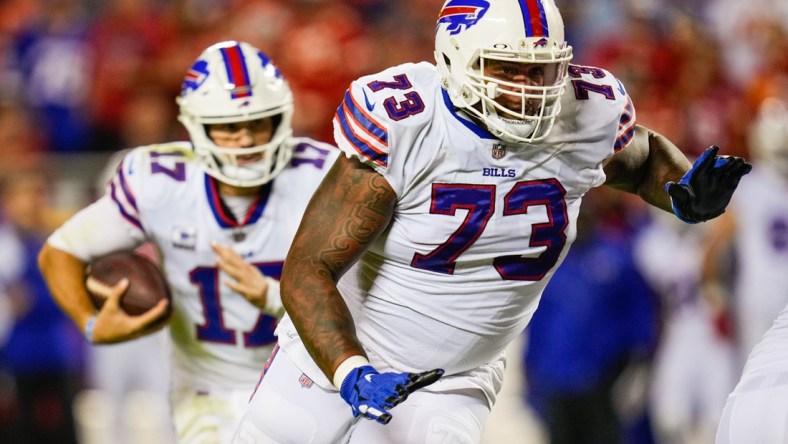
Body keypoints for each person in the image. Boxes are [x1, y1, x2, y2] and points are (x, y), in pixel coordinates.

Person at [233, 1, 752, 442]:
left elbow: (640, 159)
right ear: (454, 60)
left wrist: (683, 193)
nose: (529, 88)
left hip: (453, 379)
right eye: (507, 69)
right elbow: (307, 268)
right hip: (330, 361)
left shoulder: (582, 116)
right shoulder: (409, 125)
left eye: (541, 70)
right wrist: (350, 370)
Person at [37, 40, 340, 443]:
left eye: (258, 122)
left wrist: (275, 296)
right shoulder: (159, 181)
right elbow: (61, 250)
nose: (246, 140)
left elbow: (370, 288)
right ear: (198, 126)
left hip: (305, 379)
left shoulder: (321, 175)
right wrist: (90, 322)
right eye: (230, 126)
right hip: (206, 387)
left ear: (281, 118)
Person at [523, 188, 659, 444]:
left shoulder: (618, 256)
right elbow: (537, 323)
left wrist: (639, 364)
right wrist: (529, 368)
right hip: (555, 379)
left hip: (603, 379)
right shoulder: (550, 265)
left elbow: (640, 316)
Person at [712, 97, 788, 444]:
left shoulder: (748, 186)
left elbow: (713, 246)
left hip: (759, 301)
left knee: (755, 393)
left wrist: (712, 292)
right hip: (764, 302)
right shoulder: (751, 186)